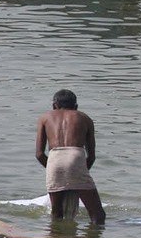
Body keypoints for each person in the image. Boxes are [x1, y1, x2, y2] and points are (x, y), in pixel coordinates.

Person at [35, 89, 104, 224]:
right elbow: (91, 157)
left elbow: (39, 154)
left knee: (57, 214)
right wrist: (77, 173)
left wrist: (53, 169)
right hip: (76, 157)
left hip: (54, 160)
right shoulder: (85, 118)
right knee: (97, 214)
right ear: (76, 106)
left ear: (54, 105)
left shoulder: (44, 118)